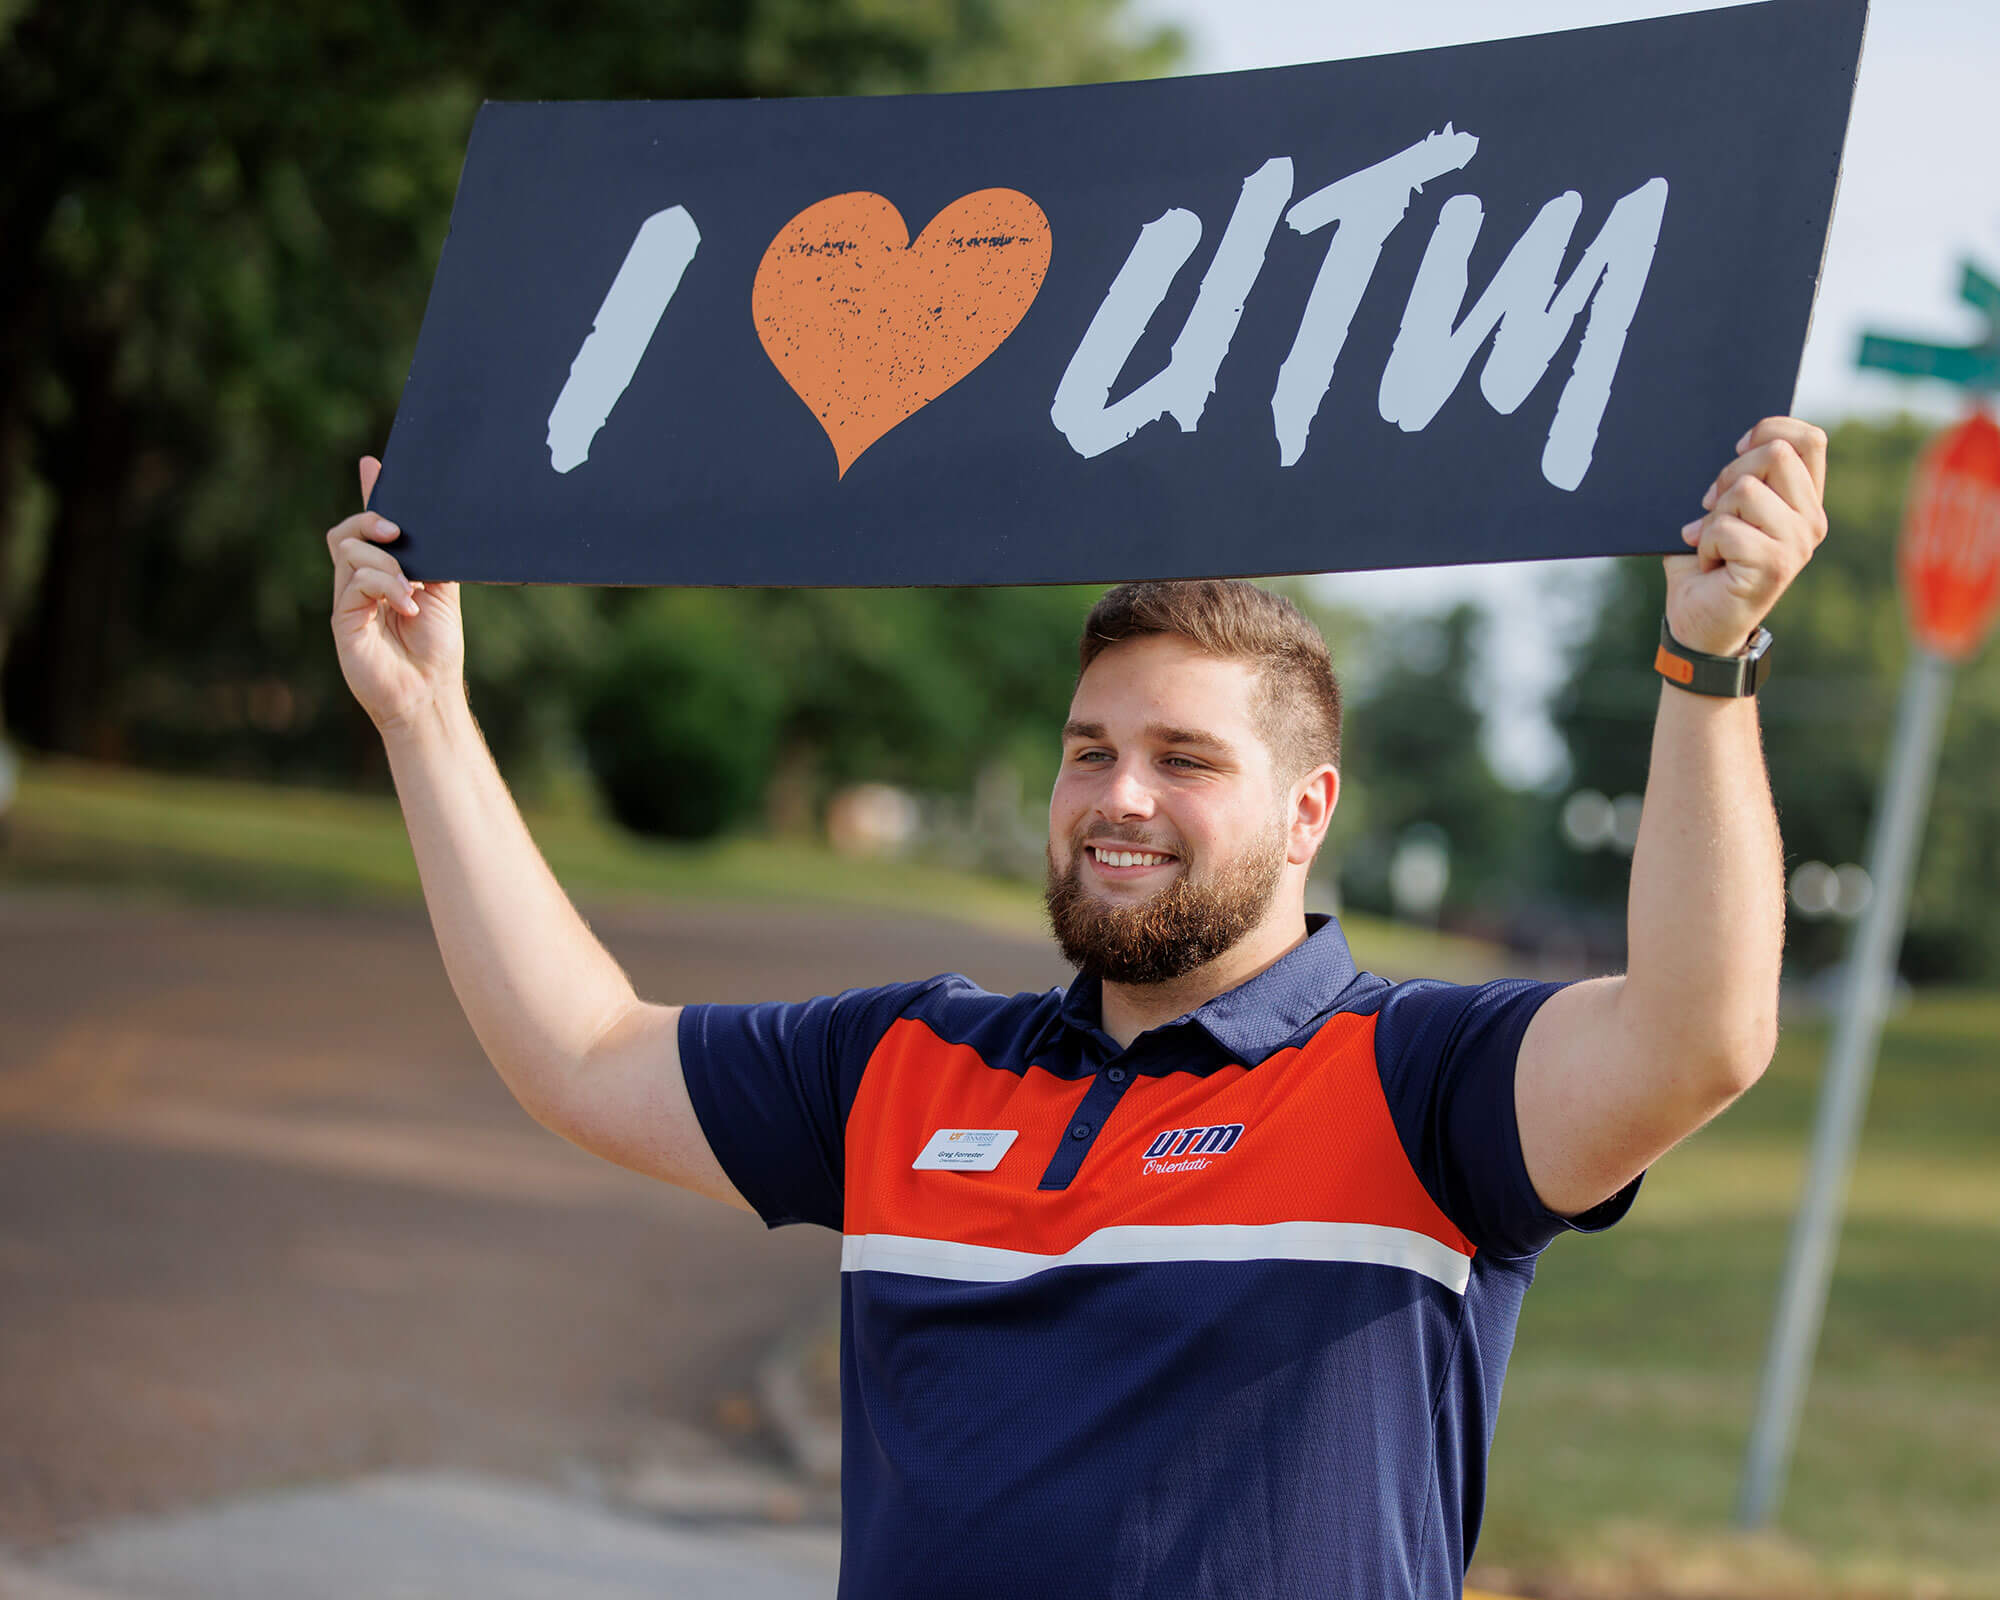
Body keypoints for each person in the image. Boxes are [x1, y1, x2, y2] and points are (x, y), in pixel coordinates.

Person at [324, 415, 1826, 1599]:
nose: (1118, 796)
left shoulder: (1417, 1081)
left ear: (1308, 812)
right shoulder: (908, 1064)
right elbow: (583, 1052)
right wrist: (425, 714)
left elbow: (1700, 1037)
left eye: (1184, 758)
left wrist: (1706, 662)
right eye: (1088, 748)